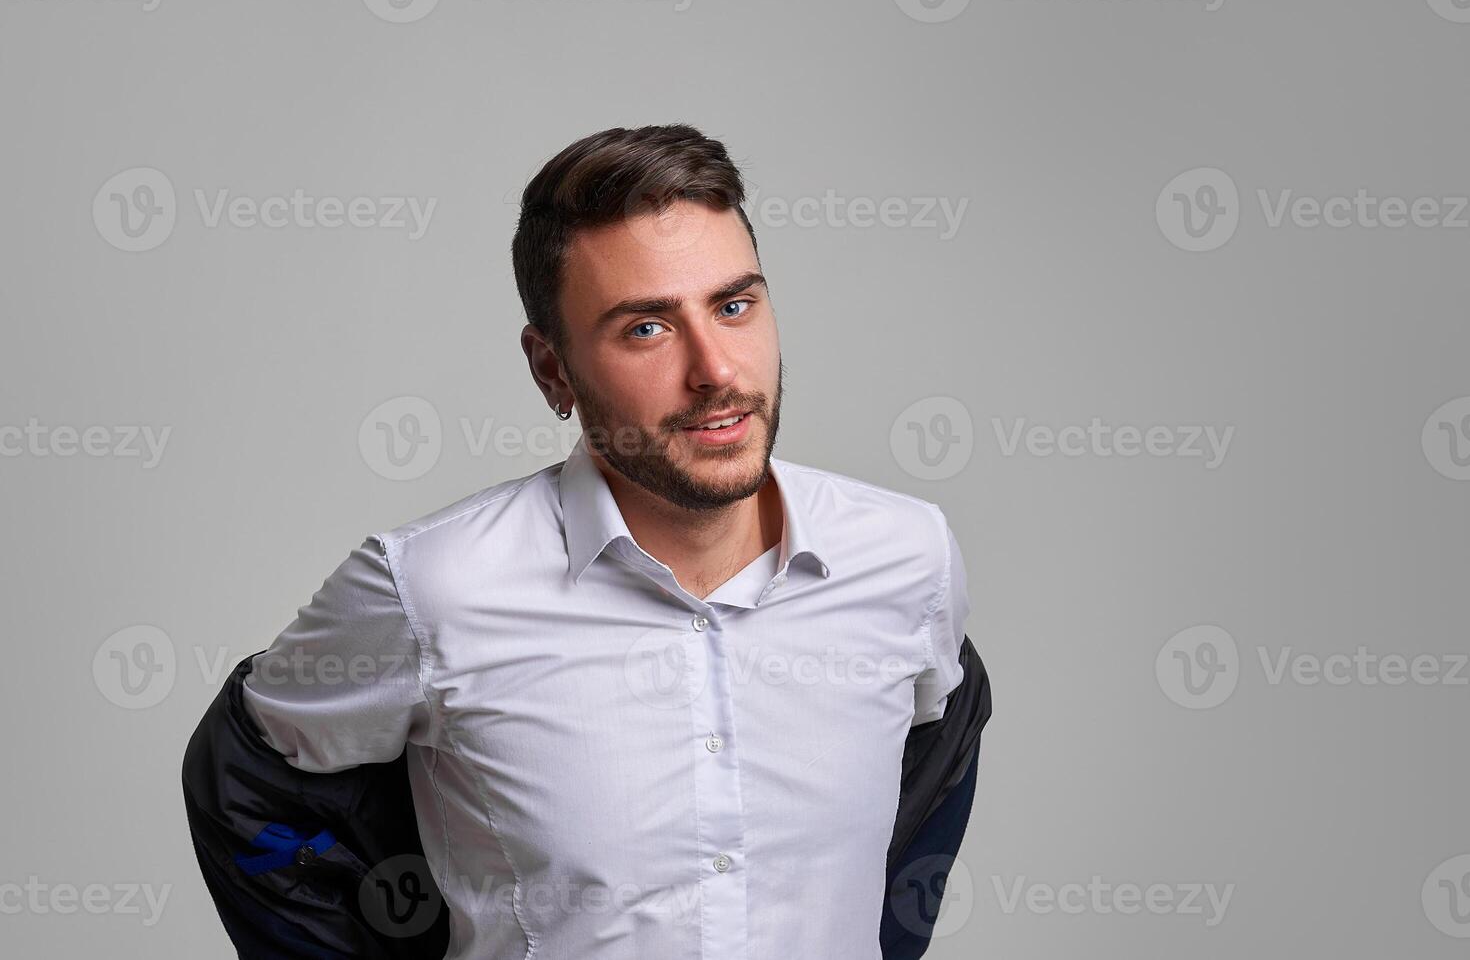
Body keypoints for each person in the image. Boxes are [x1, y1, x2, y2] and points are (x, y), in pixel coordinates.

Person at [182, 123, 991, 959]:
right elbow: (246, 779)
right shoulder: (433, 589)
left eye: (734, 304)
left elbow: (935, 754)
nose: (715, 368)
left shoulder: (906, 558)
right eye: (646, 327)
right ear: (552, 371)